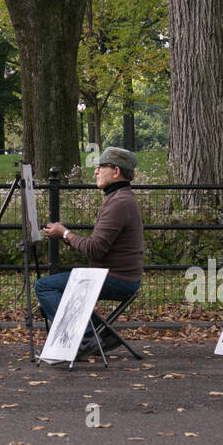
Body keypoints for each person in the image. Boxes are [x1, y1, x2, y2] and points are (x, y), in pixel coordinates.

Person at [37, 147, 144, 353]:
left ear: (115, 171)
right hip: (117, 275)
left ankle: (86, 338)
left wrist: (65, 234)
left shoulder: (119, 202)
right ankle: (103, 334)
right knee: (62, 285)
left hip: (118, 280)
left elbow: (95, 249)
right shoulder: (120, 198)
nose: (95, 172)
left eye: (100, 167)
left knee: (45, 287)